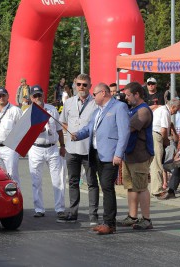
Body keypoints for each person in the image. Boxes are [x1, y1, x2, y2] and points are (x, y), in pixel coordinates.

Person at [71, 82, 130, 235]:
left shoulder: (119, 107)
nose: (93, 97)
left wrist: (118, 153)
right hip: (97, 153)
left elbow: (124, 133)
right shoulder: (97, 111)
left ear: (103, 93)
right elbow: (89, 129)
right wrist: (77, 135)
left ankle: (109, 223)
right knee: (104, 186)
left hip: (111, 155)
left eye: (95, 94)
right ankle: (107, 222)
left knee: (107, 186)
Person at [58, 73, 99, 225]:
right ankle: (73, 212)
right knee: (73, 182)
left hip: (88, 149)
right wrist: (70, 132)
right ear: (75, 85)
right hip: (71, 148)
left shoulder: (96, 104)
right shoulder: (68, 102)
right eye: (79, 84)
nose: (81, 87)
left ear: (90, 86)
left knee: (92, 183)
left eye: (85, 85)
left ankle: (93, 215)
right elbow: (62, 121)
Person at [26, 85, 66, 218]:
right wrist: (36, 130)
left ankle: (59, 208)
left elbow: (59, 129)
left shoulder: (52, 110)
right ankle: (39, 209)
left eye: (39, 95)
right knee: (36, 180)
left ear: (43, 95)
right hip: (36, 148)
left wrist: (63, 146)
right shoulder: (28, 112)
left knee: (58, 179)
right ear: (31, 98)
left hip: (53, 147)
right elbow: (25, 134)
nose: (37, 98)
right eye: (35, 96)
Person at [118, 82, 154, 230]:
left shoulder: (143, 111)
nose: (126, 98)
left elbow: (128, 128)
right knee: (131, 187)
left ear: (137, 94)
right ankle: (132, 216)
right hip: (130, 154)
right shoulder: (133, 109)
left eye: (128, 95)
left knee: (141, 187)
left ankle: (146, 219)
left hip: (140, 154)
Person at [150, 98, 180, 198]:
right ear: (172, 107)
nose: (175, 113)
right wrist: (165, 140)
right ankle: (157, 190)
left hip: (155, 135)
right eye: (176, 110)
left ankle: (156, 188)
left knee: (156, 163)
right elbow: (163, 130)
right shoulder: (165, 112)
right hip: (157, 136)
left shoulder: (162, 110)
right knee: (157, 164)